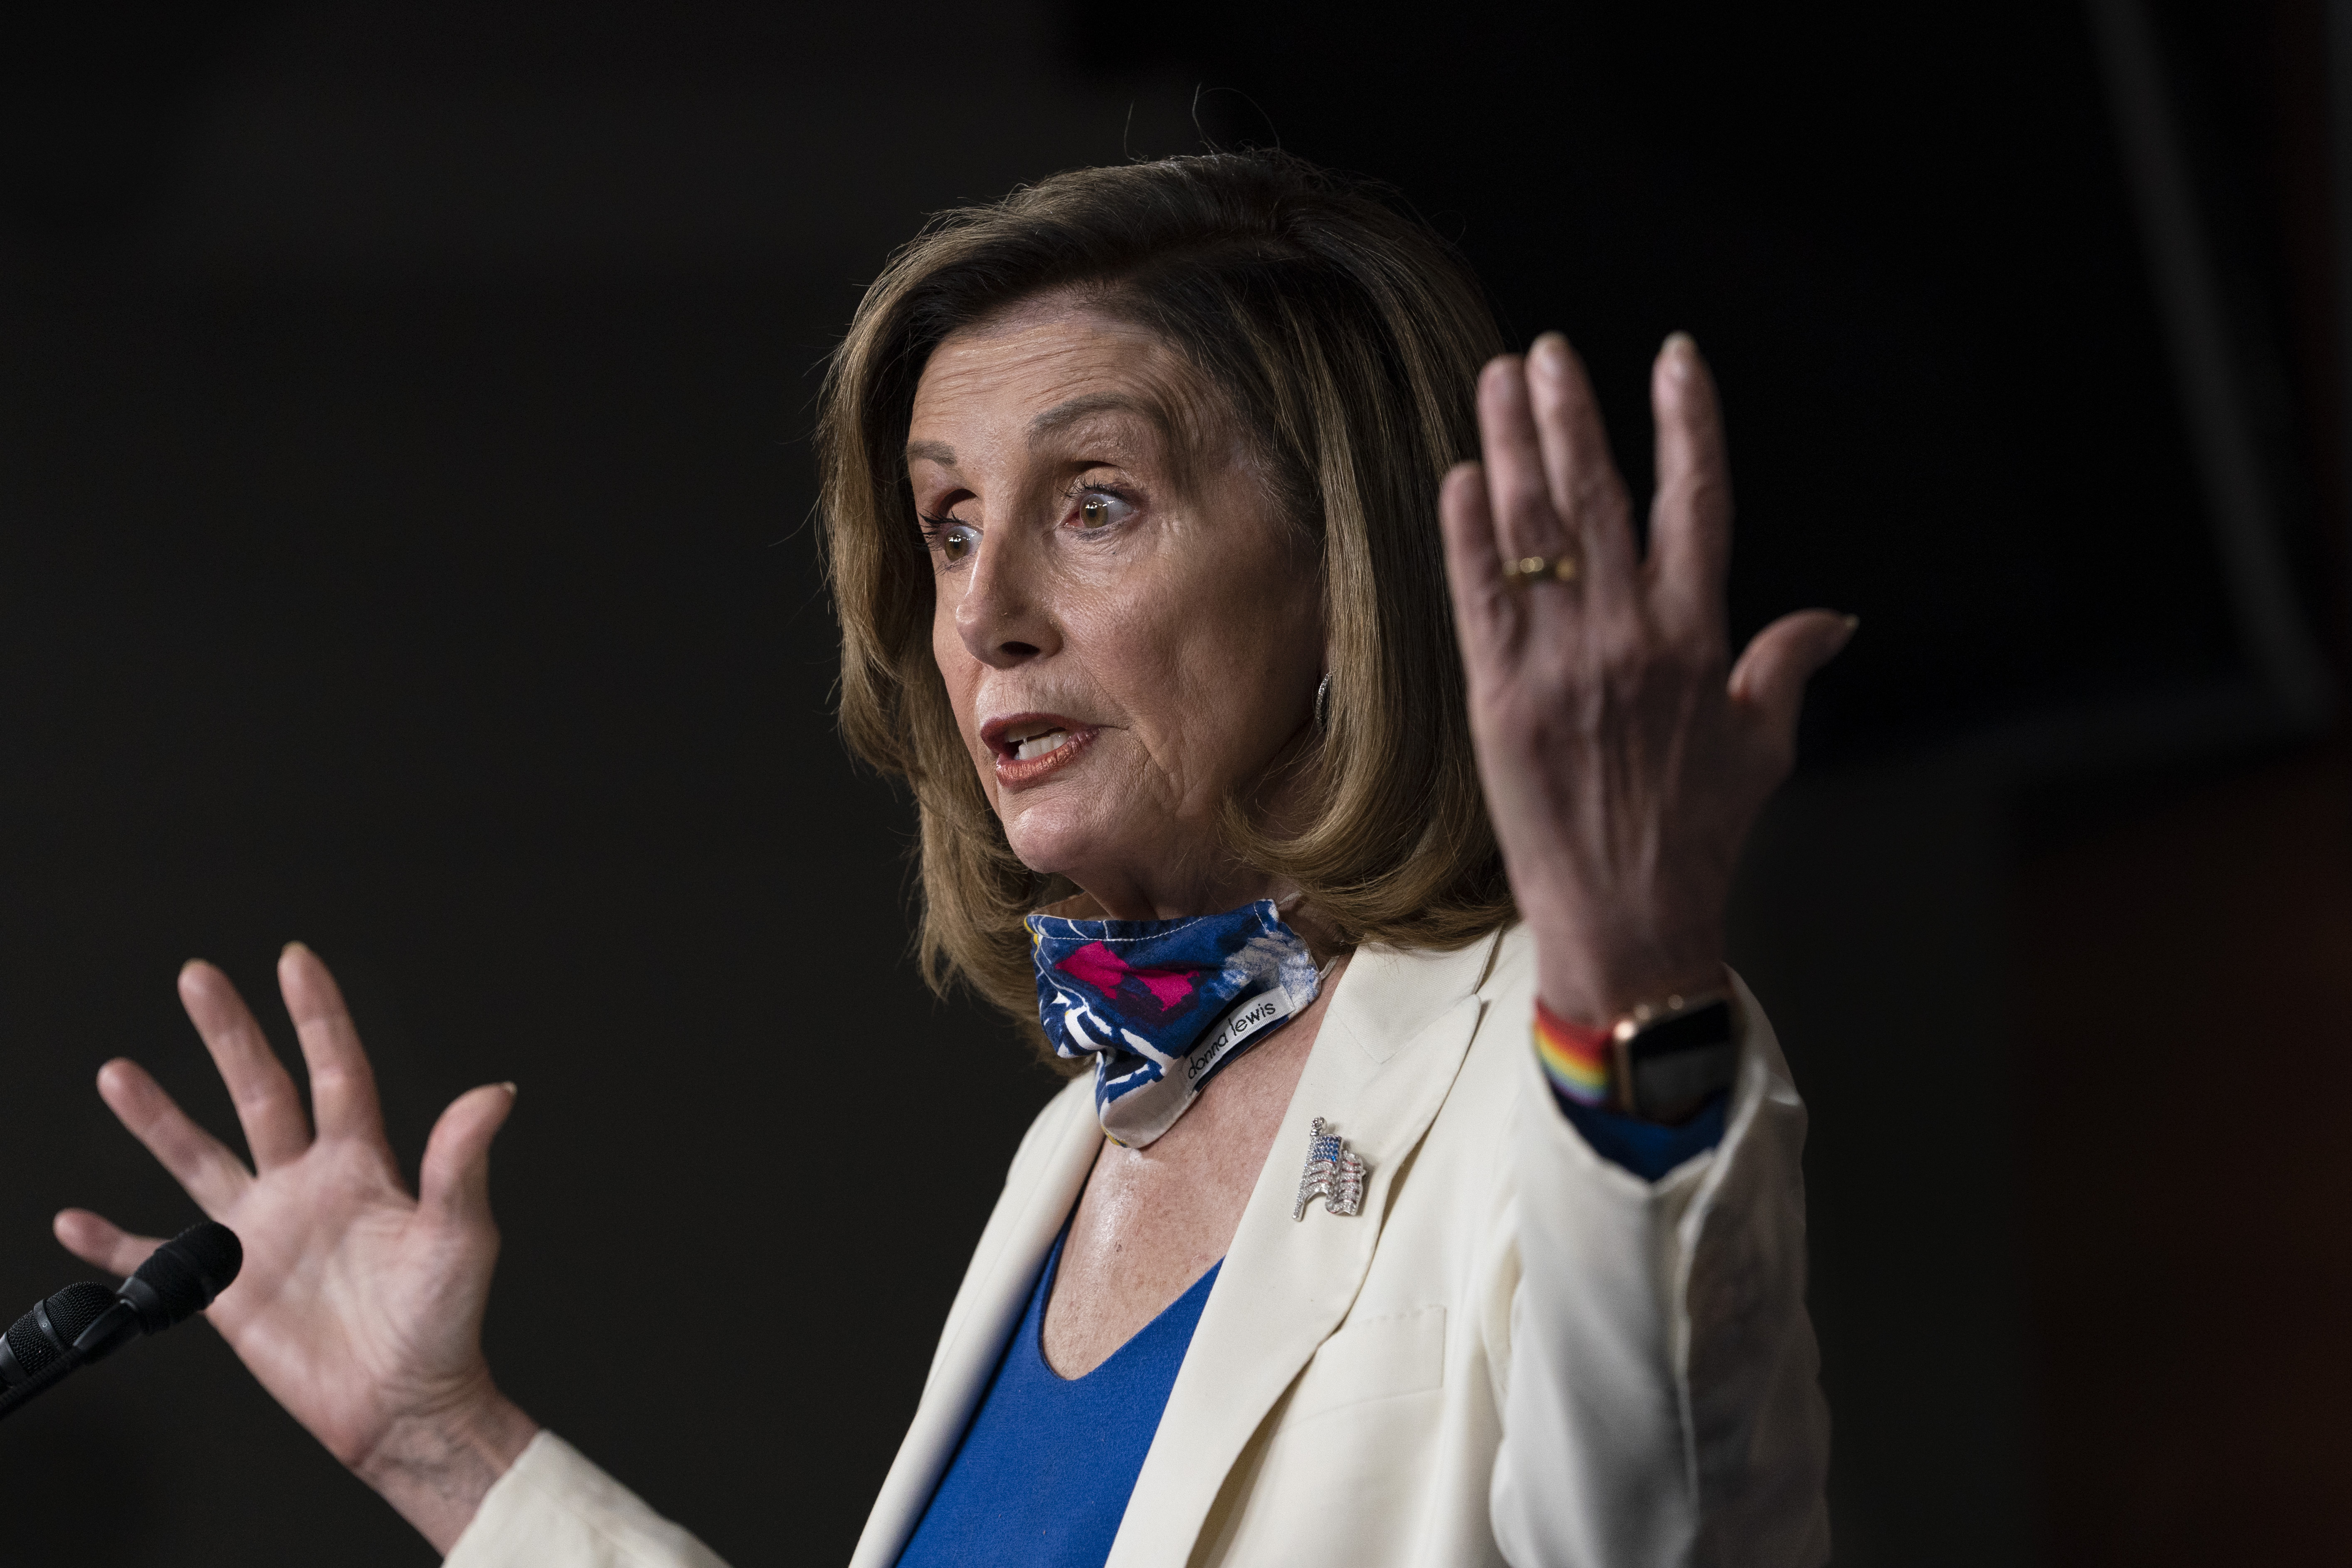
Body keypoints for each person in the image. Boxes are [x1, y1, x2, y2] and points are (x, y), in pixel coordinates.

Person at [56, 151, 1850, 1565]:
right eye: (946, 525)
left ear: (1339, 570)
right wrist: (433, 1436)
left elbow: (1673, 1530)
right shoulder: (1077, 1148)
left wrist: (1625, 998)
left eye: (1095, 504)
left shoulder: (1579, 1063)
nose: (982, 614)